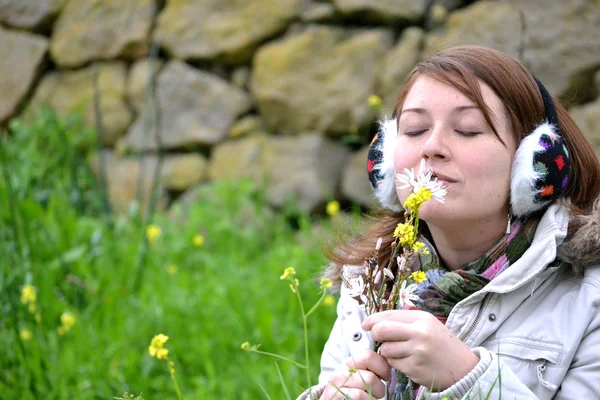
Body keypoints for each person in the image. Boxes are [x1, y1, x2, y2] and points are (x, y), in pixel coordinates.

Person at [297, 45, 600, 400]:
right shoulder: (369, 284)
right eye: (414, 129)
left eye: (468, 130)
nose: (432, 146)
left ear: (534, 161)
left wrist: (466, 378)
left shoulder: (589, 297)